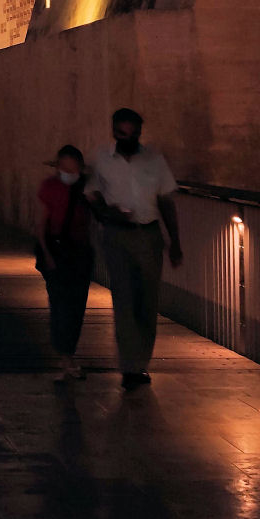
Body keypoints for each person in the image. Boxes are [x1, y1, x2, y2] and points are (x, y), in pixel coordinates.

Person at [86, 108, 183, 389]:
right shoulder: (102, 159)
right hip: (116, 235)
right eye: (122, 133)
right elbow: (91, 194)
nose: (127, 138)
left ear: (139, 133)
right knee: (124, 298)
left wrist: (175, 241)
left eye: (132, 133)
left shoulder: (154, 159)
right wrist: (108, 213)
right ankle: (130, 366)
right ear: (114, 131)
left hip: (148, 234)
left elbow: (166, 200)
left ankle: (141, 362)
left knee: (147, 300)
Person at [36, 145, 94, 381]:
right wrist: (47, 254)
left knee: (76, 306)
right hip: (57, 251)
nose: (70, 174)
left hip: (79, 253)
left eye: (74, 170)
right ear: (58, 167)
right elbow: (41, 223)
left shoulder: (87, 188)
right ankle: (65, 358)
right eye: (66, 169)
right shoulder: (50, 188)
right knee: (60, 306)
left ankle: (68, 355)